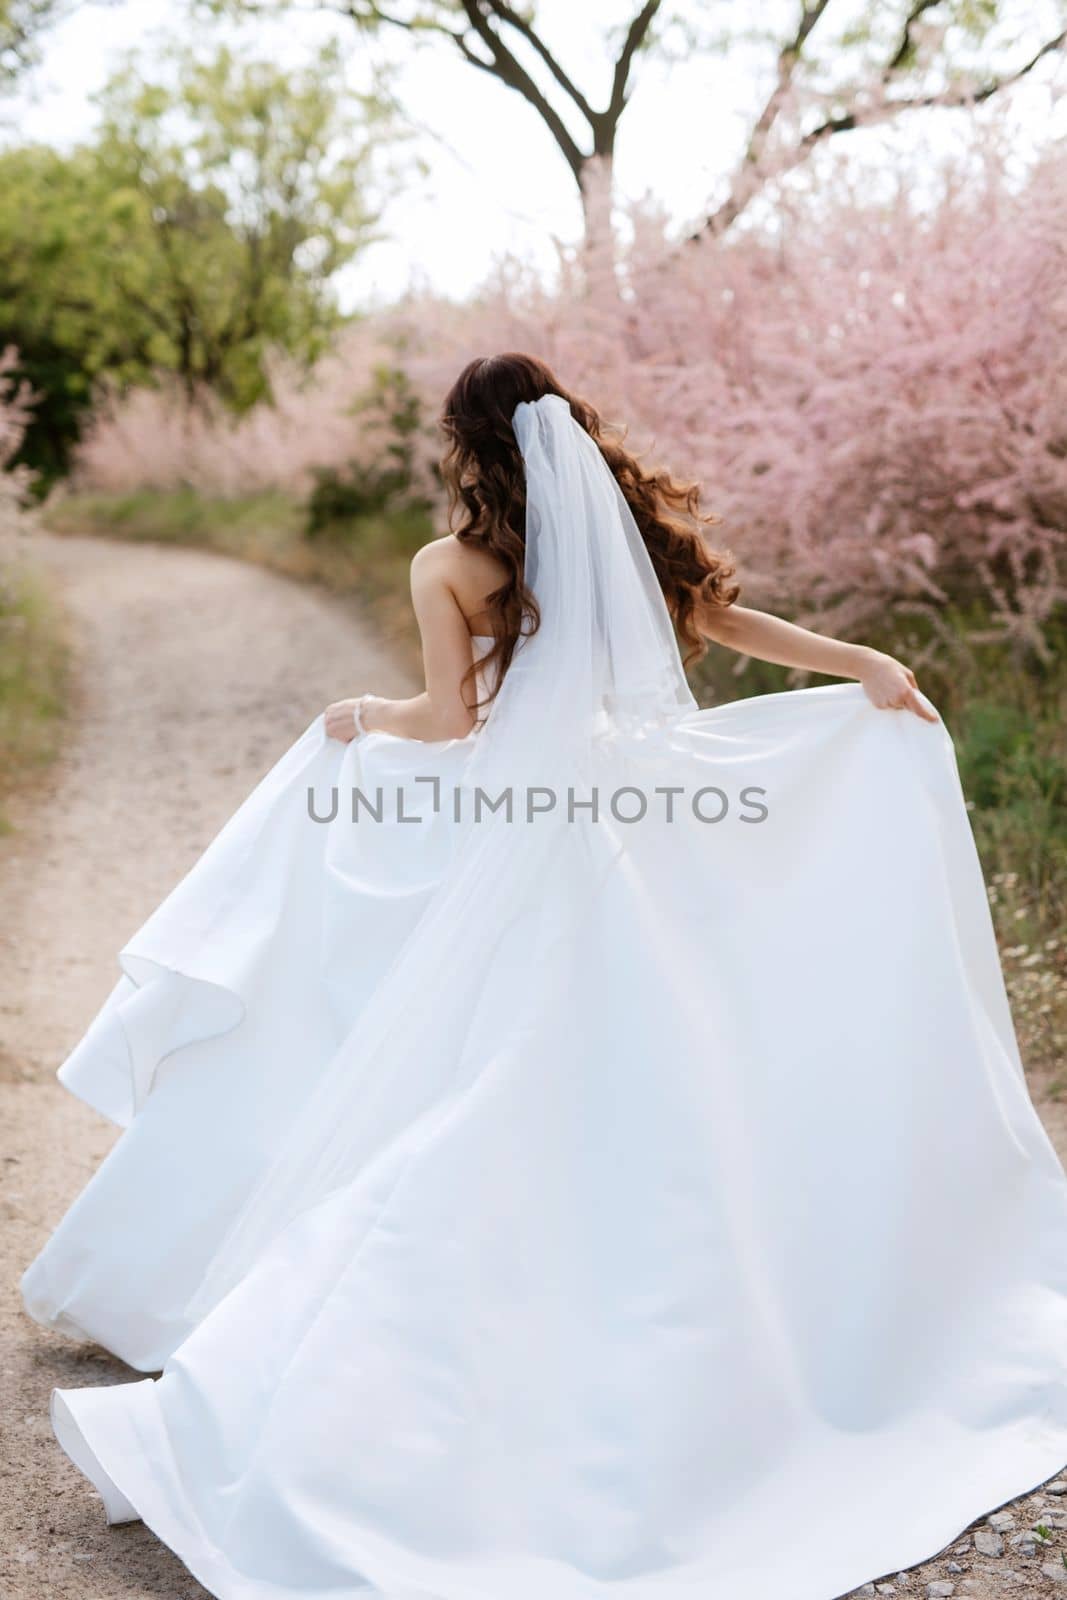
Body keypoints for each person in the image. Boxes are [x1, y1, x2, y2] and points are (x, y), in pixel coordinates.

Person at [25, 354, 1067, 1600]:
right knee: (630, 1057)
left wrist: (358, 713)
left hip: (522, 843)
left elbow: (453, 726)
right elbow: (727, 624)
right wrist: (861, 665)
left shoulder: (445, 564)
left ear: (467, 445)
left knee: (471, 1065)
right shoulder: (622, 529)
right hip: (625, 833)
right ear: (564, 434)